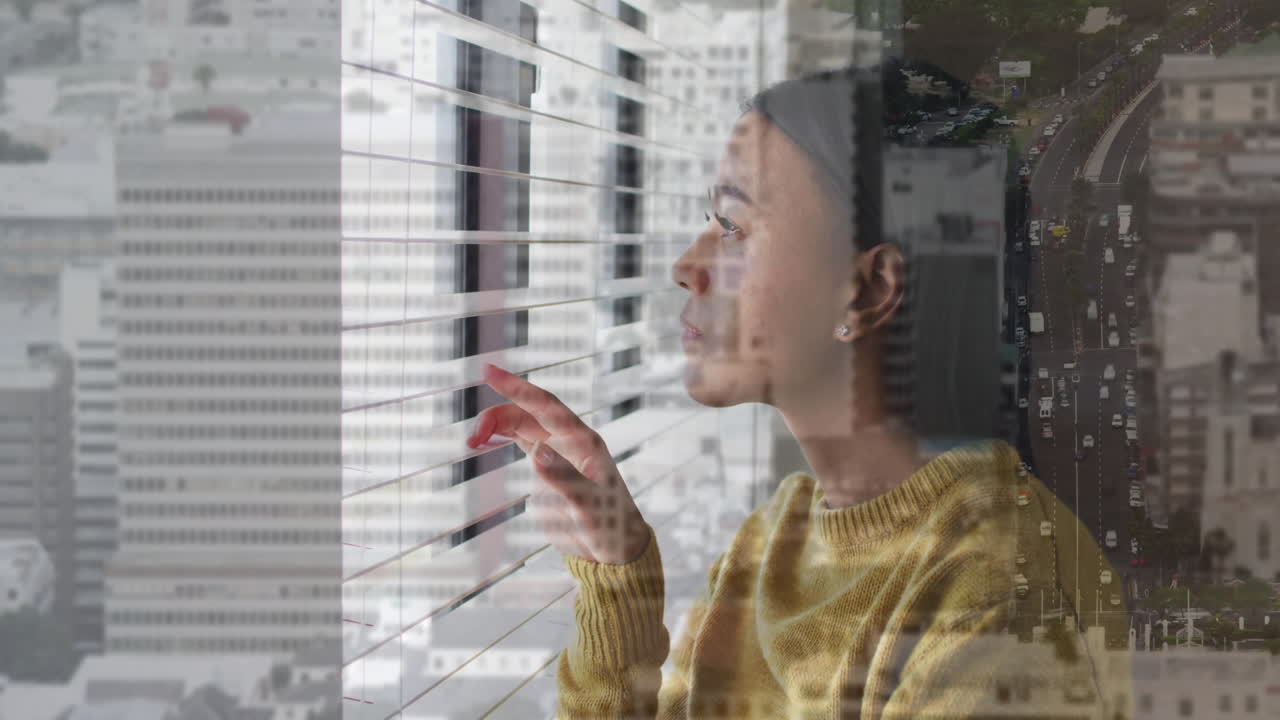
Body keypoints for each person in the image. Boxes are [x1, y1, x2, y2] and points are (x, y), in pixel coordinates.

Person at [466, 66, 1132, 719]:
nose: (686, 267)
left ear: (867, 291)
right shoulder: (780, 534)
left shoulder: (1001, 605)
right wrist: (618, 584)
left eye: (733, 226)